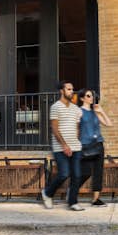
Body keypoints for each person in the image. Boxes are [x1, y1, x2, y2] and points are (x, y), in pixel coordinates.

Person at [40, 81, 84, 211]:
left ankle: (73, 202)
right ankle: (47, 193)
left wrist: (74, 142)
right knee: (64, 174)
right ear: (62, 91)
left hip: (75, 147)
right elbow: (54, 128)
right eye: (69, 89)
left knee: (77, 175)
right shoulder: (55, 107)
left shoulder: (76, 108)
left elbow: (77, 128)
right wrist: (65, 145)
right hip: (60, 148)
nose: (72, 91)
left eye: (72, 89)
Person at [77, 89, 113, 206]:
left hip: (98, 144)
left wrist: (101, 111)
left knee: (98, 172)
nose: (91, 97)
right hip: (85, 146)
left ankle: (96, 199)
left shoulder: (95, 111)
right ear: (82, 98)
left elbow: (109, 123)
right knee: (86, 172)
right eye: (88, 96)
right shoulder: (79, 111)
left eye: (92, 95)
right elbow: (76, 129)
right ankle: (72, 191)